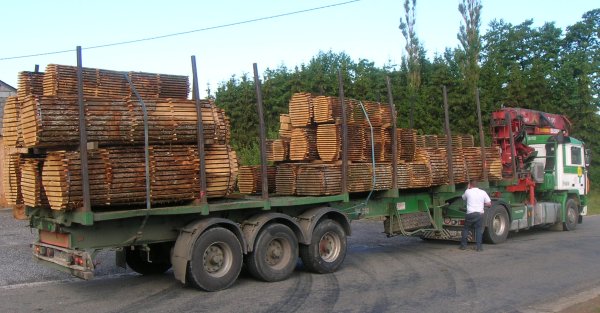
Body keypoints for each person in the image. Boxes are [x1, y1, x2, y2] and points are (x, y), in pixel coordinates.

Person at [459, 180, 492, 251]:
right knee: (478, 230)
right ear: (477, 185)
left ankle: (463, 246)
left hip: (470, 214)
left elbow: (463, 198)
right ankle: (479, 247)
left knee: (466, 229)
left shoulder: (468, 191)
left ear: (470, 185)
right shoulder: (483, 192)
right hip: (479, 214)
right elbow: (489, 204)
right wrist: (482, 204)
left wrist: (467, 188)